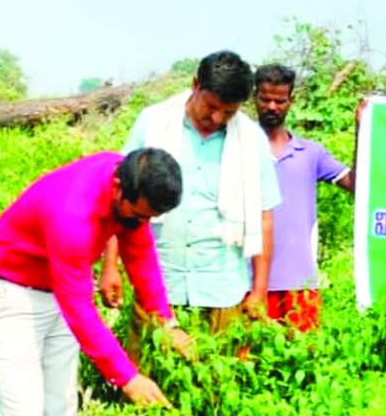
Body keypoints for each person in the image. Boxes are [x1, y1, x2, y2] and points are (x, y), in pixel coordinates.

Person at [0, 149, 192, 416]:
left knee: (61, 409)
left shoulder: (128, 186)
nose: (142, 224)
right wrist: (127, 377)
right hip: (9, 295)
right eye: (140, 215)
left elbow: (140, 255)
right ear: (118, 188)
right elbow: (80, 310)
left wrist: (165, 323)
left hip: (52, 289)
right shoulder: (71, 214)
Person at [102, 51, 282, 334]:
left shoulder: (251, 139)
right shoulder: (153, 122)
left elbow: (264, 217)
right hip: (159, 283)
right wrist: (110, 265)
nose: (217, 118)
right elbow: (121, 195)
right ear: (196, 84)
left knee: (219, 361)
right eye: (211, 107)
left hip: (223, 288)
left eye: (229, 112)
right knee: (150, 359)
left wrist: (259, 290)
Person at [252, 64, 359, 331]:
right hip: (249, 283)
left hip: (300, 283)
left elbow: (355, 183)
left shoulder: (311, 153)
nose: (272, 107)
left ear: (291, 101)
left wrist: (362, 130)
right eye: (265, 99)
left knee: (305, 353)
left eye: (280, 101)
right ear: (254, 98)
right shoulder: (238, 147)